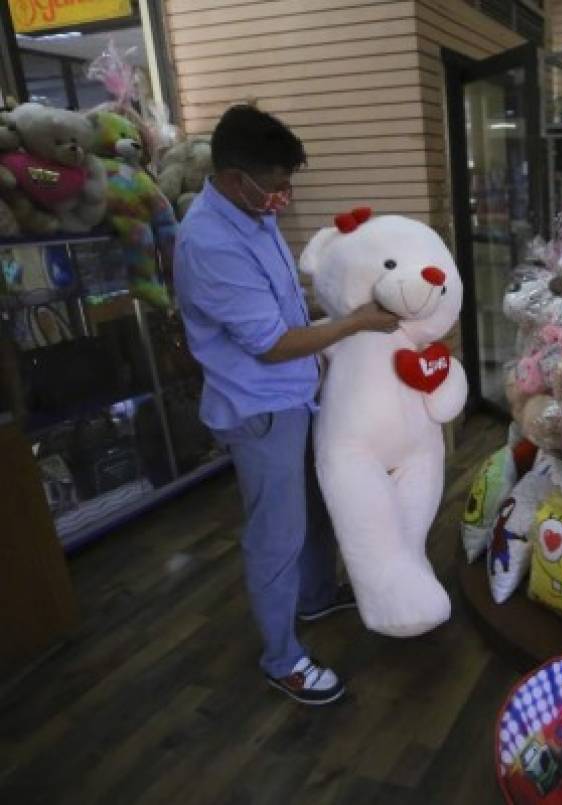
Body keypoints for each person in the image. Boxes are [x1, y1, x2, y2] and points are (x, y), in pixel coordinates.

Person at [174, 105, 400, 705]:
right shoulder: (209, 243)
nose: (283, 197)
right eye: (274, 185)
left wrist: (338, 291)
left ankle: (317, 594)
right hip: (260, 407)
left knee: (318, 504)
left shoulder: (253, 215)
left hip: (297, 393)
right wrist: (353, 323)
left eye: (286, 184)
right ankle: (282, 657)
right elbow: (272, 343)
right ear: (231, 175)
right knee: (277, 534)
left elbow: (283, 301)